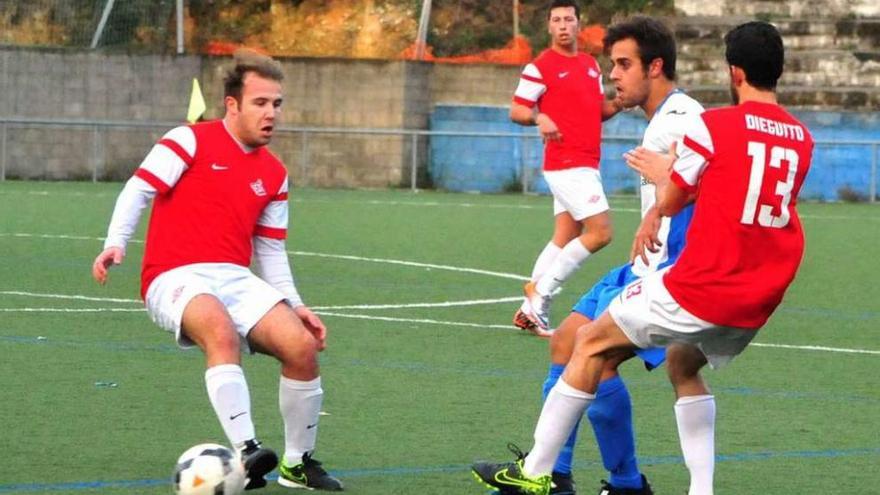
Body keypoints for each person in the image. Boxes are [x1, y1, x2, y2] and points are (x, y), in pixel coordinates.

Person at [474, 21, 813, 495]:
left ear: (734, 72)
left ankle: (540, 474)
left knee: (588, 344)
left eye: (622, 64)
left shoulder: (708, 124)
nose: (613, 74)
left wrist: (662, 175)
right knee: (680, 365)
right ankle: (688, 489)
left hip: (696, 283)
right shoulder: (801, 138)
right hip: (756, 299)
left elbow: (677, 198)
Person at [91, 50, 343, 492]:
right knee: (219, 331)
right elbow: (138, 189)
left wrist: (295, 304)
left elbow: (270, 250)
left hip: (234, 277)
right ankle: (247, 451)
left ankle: (296, 464)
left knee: (301, 347)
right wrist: (116, 243)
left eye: (277, 104)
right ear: (233, 104)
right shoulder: (189, 140)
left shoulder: (275, 173)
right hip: (173, 275)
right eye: (261, 103)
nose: (271, 114)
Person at [534, 16, 704, 495]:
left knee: (596, 354)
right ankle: (555, 473)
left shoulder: (682, 117)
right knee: (565, 342)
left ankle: (623, 483)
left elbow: (713, 175)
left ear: (655, 67)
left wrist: (674, 178)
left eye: (624, 65)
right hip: (641, 265)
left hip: (668, 272)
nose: (614, 74)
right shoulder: (664, 121)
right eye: (612, 64)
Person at [510, 0, 622, 336]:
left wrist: (618, 103)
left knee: (566, 234)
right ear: (549, 27)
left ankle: (529, 311)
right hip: (566, 163)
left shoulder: (590, 65)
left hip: (587, 161)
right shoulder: (540, 66)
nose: (563, 25)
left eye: (568, 19)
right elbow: (517, 110)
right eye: (556, 20)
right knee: (601, 232)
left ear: (578, 24)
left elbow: (596, 110)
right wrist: (538, 116)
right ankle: (541, 292)